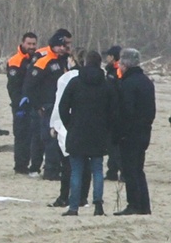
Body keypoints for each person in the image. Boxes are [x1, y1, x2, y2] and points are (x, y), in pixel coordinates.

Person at [58, 51, 115, 216]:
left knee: (76, 170)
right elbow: (113, 111)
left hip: (77, 131)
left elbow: (63, 107)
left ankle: (74, 207)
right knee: (97, 169)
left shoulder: (75, 82)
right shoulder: (106, 85)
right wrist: (107, 129)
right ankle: (98, 206)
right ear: (100, 64)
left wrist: (70, 124)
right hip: (98, 133)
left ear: (85, 63)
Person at [21, 29, 72, 181]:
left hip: (60, 105)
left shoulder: (62, 60)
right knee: (48, 138)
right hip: (47, 106)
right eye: (61, 46)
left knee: (60, 138)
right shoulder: (43, 61)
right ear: (54, 45)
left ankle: (58, 168)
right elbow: (29, 86)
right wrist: (38, 106)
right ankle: (50, 171)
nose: (64, 48)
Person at [114, 48, 155, 216]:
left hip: (131, 133)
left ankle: (134, 204)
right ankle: (144, 205)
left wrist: (121, 132)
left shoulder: (128, 83)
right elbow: (151, 110)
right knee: (138, 169)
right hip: (144, 131)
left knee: (130, 169)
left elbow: (126, 111)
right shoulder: (146, 81)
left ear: (125, 64)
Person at [48, 48, 91, 208]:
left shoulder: (66, 78)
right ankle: (83, 197)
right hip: (88, 126)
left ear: (72, 60)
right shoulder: (98, 77)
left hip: (68, 125)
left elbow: (59, 104)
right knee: (86, 164)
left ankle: (65, 197)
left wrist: (53, 124)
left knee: (68, 165)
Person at [7, 32, 38, 175]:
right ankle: (20, 166)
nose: (31, 47)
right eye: (29, 44)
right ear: (23, 43)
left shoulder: (36, 59)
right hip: (20, 104)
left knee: (34, 136)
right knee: (21, 135)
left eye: (33, 44)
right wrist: (19, 105)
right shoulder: (15, 61)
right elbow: (13, 87)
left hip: (34, 103)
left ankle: (32, 164)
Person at [103, 45, 123, 181]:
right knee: (111, 144)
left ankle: (118, 170)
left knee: (114, 144)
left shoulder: (116, 71)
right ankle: (112, 170)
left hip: (115, 112)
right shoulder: (111, 70)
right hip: (114, 111)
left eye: (108, 56)